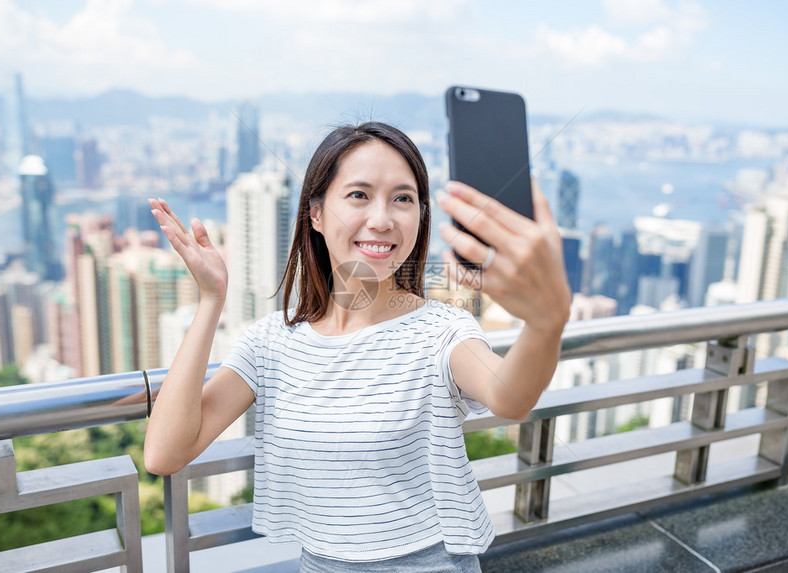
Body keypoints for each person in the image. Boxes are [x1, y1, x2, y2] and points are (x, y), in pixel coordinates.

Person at [143, 122, 570, 572]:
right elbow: (166, 453)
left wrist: (546, 322)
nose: (382, 219)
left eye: (403, 198)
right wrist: (212, 300)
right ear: (317, 214)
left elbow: (511, 398)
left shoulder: (442, 332)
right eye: (359, 195)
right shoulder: (271, 343)